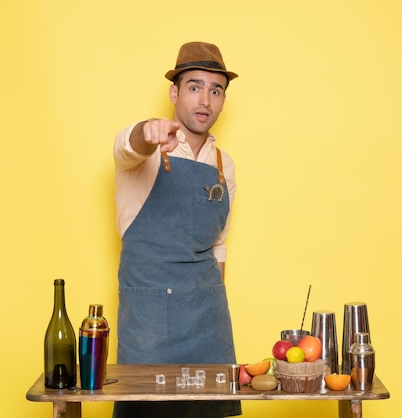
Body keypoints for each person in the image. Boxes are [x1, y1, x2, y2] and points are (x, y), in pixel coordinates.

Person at [112, 42, 241, 418]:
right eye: (194, 86)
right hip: (151, 323)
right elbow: (125, 147)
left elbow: (218, 244)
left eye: (216, 90)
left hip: (207, 320)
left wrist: (215, 309)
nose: (205, 100)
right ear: (174, 92)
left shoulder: (224, 164)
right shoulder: (151, 145)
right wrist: (144, 131)